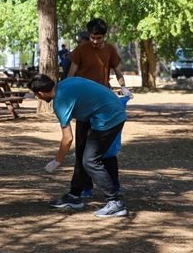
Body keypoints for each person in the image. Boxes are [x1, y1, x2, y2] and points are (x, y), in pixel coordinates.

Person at [28, 74, 128, 217]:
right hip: (99, 112)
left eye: (36, 96)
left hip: (109, 117)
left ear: (41, 93)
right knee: (81, 153)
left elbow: (67, 139)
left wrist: (57, 161)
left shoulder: (60, 102)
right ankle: (74, 196)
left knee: (90, 160)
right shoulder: (67, 82)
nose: (38, 98)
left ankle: (115, 203)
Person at [66, 19, 131, 199]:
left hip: (103, 106)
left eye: (99, 38)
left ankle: (114, 185)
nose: (95, 41)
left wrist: (123, 86)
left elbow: (118, 71)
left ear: (105, 36)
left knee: (106, 150)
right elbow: (72, 73)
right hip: (84, 105)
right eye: (92, 37)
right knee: (82, 147)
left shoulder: (110, 50)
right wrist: (68, 93)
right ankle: (84, 187)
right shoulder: (81, 50)